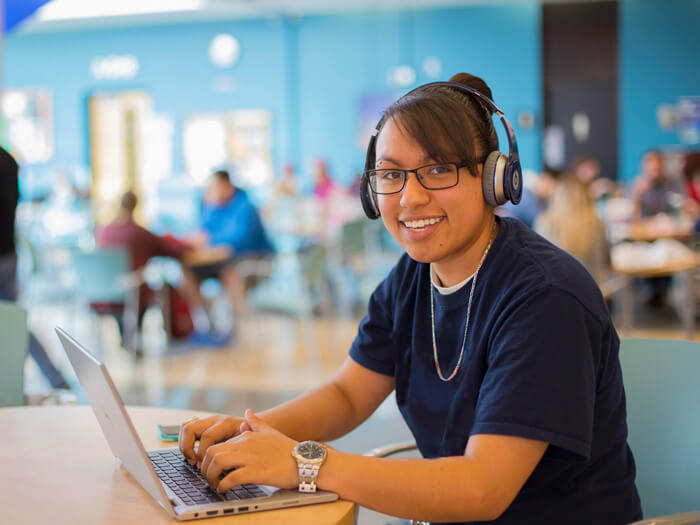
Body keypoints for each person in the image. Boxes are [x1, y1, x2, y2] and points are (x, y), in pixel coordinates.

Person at [179, 74, 641, 524]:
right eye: (391, 175)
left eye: (438, 169)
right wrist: (246, 431)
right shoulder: (412, 276)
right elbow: (346, 395)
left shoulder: (545, 299)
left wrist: (306, 462)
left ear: (493, 178)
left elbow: (482, 488)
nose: (410, 197)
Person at [0, 146, 70, 390]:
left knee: (13, 321)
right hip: (8, 253)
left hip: (6, 255)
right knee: (15, 320)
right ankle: (54, 376)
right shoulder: (8, 159)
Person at [180, 170, 274, 343]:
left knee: (231, 272)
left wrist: (211, 240)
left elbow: (238, 240)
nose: (212, 190)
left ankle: (233, 328)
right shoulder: (212, 206)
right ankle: (206, 323)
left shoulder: (246, 206)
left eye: (215, 186)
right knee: (187, 273)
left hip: (252, 261)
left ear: (227, 185)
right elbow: (202, 233)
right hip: (220, 260)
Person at [95, 190, 193, 343]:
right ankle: (177, 336)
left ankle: (129, 337)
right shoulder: (140, 233)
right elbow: (173, 251)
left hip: (100, 294)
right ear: (136, 207)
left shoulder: (102, 232)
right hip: (133, 293)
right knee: (165, 288)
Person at [534, 175, 611, 289]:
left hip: (554, 295)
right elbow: (607, 260)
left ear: (556, 197)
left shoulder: (543, 223)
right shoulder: (597, 223)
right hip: (594, 294)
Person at [629, 150, 684, 219]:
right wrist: (638, 195)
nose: (655, 164)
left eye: (658, 160)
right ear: (642, 165)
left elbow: (682, 207)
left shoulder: (673, 181)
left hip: (670, 225)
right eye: (649, 161)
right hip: (646, 226)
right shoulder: (637, 184)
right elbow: (632, 216)